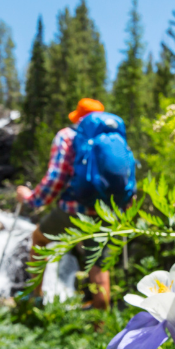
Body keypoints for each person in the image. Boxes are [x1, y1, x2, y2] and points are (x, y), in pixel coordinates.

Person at [16, 98, 112, 309]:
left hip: (72, 210)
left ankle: (35, 297)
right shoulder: (111, 140)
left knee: (39, 239)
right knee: (98, 262)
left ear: (77, 116)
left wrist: (32, 200)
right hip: (105, 213)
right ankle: (103, 323)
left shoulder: (67, 136)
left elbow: (56, 178)